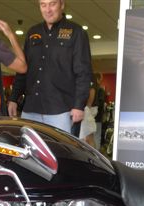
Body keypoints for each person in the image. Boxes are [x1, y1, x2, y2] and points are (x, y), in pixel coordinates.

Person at [7, 0, 92, 134]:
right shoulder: (32, 32)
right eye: (43, 5)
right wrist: (14, 98)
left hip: (61, 112)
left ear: (62, 5)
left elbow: (83, 73)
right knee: (27, 147)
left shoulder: (76, 32)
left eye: (52, 4)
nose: (48, 10)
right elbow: (23, 69)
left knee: (59, 148)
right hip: (31, 109)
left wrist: (79, 106)